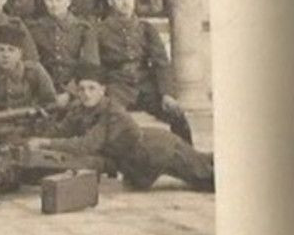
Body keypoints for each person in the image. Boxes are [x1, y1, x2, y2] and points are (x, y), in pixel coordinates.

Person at [32, 67, 213, 191]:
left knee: (210, 181)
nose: (86, 94)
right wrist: (33, 138)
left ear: (102, 89)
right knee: (205, 160)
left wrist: (45, 142)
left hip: (161, 151)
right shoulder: (79, 109)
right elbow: (60, 130)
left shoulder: (113, 112)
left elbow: (86, 145)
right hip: (140, 160)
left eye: (91, 88)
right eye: (81, 89)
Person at [0, 25, 65, 205]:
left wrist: (40, 114)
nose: (5, 55)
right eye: (1, 50)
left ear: (20, 53)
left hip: (26, 129)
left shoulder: (34, 70)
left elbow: (50, 103)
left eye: (11, 50)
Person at [97, 0, 193, 142]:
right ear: (110, 2)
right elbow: (94, 63)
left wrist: (166, 93)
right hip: (117, 85)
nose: (125, 2)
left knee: (176, 113)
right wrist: (101, 89)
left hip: (145, 84)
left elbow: (161, 62)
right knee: (109, 118)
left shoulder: (146, 29)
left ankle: (188, 156)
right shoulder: (100, 30)